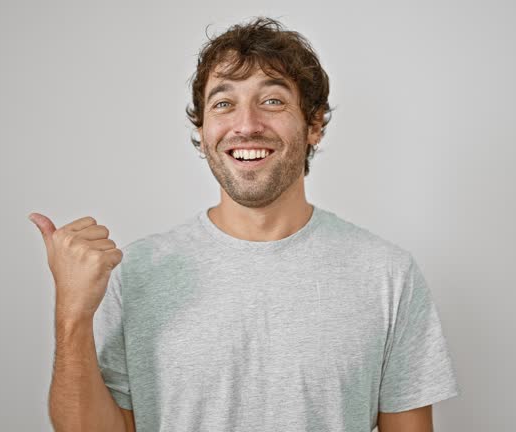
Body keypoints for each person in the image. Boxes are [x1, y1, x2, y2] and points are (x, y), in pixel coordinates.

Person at [29, 16, 460, 432]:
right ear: (202, 129)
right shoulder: (135, 271)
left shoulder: (387, 275)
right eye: (223, 103)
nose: (247, 125)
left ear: (313, 125)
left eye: (272, 101)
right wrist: (72, 313)